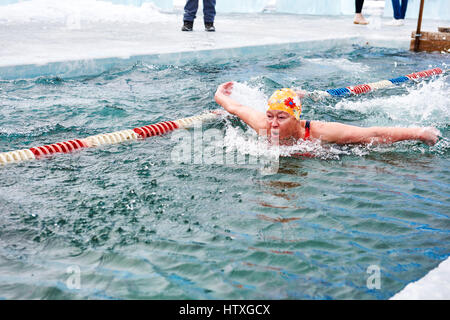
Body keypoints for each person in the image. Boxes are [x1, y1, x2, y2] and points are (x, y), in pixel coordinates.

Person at [214, 82, 440, 146]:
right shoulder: (262, 125)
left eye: (281, 117)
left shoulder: (319, 132)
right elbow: (236, 108)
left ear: (296, 119)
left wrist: (418, 133)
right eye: (270, 115)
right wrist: (219, 94)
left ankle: (296, 96)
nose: (273, 123)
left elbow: (372, 133)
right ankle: (294, 96)